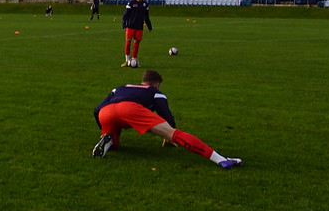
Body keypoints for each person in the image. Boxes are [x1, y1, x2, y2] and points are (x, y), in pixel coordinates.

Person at [91, 70, 240, 168]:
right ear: (157, 84)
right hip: (130, 109)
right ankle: (221, 159)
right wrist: (168, 139)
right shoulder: (156, 92)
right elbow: (168, 118)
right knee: (174, 133)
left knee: (116, 144)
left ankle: (107, 139)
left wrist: (102, 126)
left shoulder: (121, 87)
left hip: (106, 112)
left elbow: (97, 109)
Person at [120, 0, 153, 67]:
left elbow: (147, 17)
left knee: (136, 44)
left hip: (139, 27)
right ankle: (127, 61)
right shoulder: (131, 3)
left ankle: (134, 60)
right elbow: (125, 15)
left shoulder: (145, 4)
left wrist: (149, 27)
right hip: (130, 26)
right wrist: (124, 24)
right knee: (128, 43)